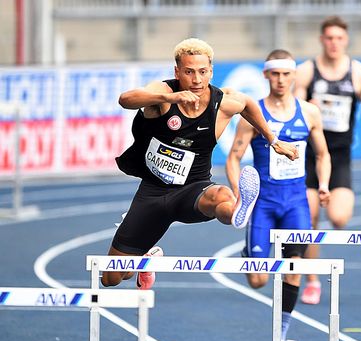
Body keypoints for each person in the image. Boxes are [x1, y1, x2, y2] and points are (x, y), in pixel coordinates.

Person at [101, 38, 298, 290]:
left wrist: (273, 139)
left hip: (192, 189)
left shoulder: (223, 102)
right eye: (189, 72)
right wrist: (168, 97)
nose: (196, 79)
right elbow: (125, 99)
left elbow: (248, 104)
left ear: (211, 71)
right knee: (111, 278)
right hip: (152, 194)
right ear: (177, 72)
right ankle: (146, 260)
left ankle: (238, 211)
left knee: (221, 196)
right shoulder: (162, 94)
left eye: (202, 72)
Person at [226, 49, 331, 341]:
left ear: (294, 75)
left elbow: (323, 154)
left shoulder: (309, 112)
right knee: (258, 279)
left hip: (296, 202)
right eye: (275, 74)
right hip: (263, 204)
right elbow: (233, 157)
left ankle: (280, 339)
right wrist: (237, 193)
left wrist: (323, 184)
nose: (281, 80)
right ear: (266, 75)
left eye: (287, 74)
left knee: (293, 269)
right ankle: (250, 253)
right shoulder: (253, 114)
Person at [294, 15, 361, 305]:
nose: (334, 43)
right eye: (329, 38)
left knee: (339, 217)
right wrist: (307, 107)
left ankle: (310, 265)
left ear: (346, 40)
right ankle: (313, 280)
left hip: (340, 156)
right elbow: (292, 107)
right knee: (310, 218)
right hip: (309, 154)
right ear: (322, 39)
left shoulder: (359, 74)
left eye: (339, 38)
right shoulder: (306, 71)